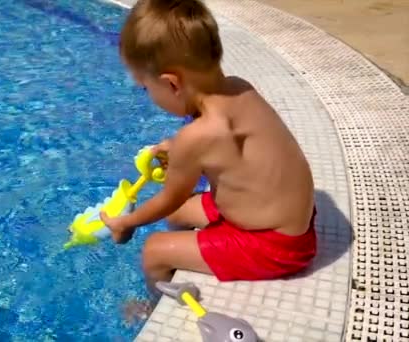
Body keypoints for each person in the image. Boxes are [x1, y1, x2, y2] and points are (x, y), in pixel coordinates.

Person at [99, 0, 317, 305]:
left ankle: (152, 307)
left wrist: (126, 222)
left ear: (172, 83)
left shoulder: (198, 136)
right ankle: (195, 253)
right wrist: (179, 150)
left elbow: (167, 199)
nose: (148, 96)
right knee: (179, 214)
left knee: (154, 250)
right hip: (288, 224)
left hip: (276, 246)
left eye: (145, 89)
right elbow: (232, 150)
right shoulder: (240, 87)